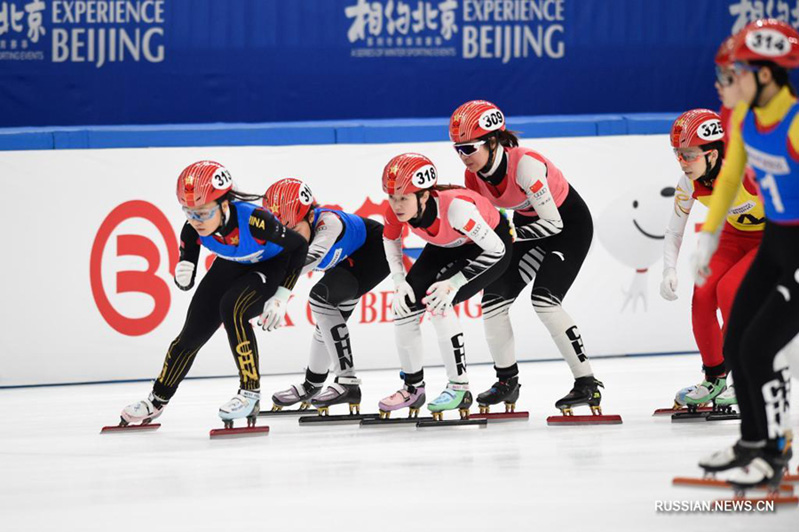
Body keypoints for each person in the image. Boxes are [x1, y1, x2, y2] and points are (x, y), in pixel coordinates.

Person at [117, 161, 308, 429]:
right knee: (191, 333)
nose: (196, 221)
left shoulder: (256, 221)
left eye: (204, 213)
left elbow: (299, 246)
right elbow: (190, 235)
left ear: (225, 204)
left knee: (233, 307)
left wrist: (282, 295)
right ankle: (157, 400)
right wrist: (187, 263)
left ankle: (250, 393)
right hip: (231, 264)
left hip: (270, 266)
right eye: (189, 212)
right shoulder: (193, 226)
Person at [693, 19, 798, 488]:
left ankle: (777, 452)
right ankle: (752, 443)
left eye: (732, 74)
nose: (723, 83)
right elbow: (731, 177)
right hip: (775, 242)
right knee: (737, 344)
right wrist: (709, 236)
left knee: (761, 349)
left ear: (767, 75)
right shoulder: (741, 119)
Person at [449, 100, 601, 415]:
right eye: (457, 149)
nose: (464, 157)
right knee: (492, 299)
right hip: (527, 227)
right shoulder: (473, 177)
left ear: (492, 141)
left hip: (567, 226)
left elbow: (554, 224)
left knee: (545, 301)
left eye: (469, 148)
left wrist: (508, 238)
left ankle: (587, 383)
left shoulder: (526, 166)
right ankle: (507, 382)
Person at [380, 153, 512, 419]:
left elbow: (496, 250)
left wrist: (454, 283)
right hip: (447, 244)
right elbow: (390, 241)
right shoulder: (395, 209)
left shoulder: (457, 210)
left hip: (491, 246)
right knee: (404, 307)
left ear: (424, 196)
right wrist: (398, 281)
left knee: (438, 301)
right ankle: (413, 389)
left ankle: (459, 388)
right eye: (392, 197)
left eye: (404, 198)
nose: (396, 205)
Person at [661, 109, 764, 410]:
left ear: (714, 152)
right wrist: (669, 269)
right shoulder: (689, 182)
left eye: (689, 155)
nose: (682, 162)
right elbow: (674, 230)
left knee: (730, 290)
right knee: (703, 293)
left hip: (773, 239)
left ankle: (746, 378)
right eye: (678, 154)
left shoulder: (748, 172)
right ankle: (715, 376)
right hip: (734, 238)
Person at [263, 178, 389, 415]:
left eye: (297, 231)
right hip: (347, 261)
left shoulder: (328, 222)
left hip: (374, 252)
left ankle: (347, 382)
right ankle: (313, 383)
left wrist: (276, 289)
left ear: (311, 216)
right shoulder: (293, 227)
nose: (294, 240)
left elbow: (310, 258)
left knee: (320, 298)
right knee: (326, 322)